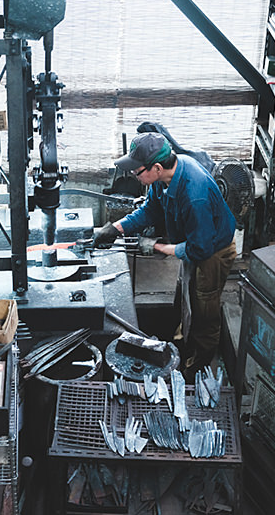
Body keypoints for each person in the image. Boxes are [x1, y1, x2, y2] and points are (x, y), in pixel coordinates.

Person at [93, 132, 236, 372]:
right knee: (184, 298)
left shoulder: (194, 195)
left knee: (203, 311)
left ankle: (197, 369)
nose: (134, 175)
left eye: (137, 171)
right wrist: (115, 229)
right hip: (194, 241)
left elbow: (199, 249)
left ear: (156, 167)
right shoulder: (164, 179)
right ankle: (180, 347)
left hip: (213, 251)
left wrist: (156, 247)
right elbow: (150, 210)